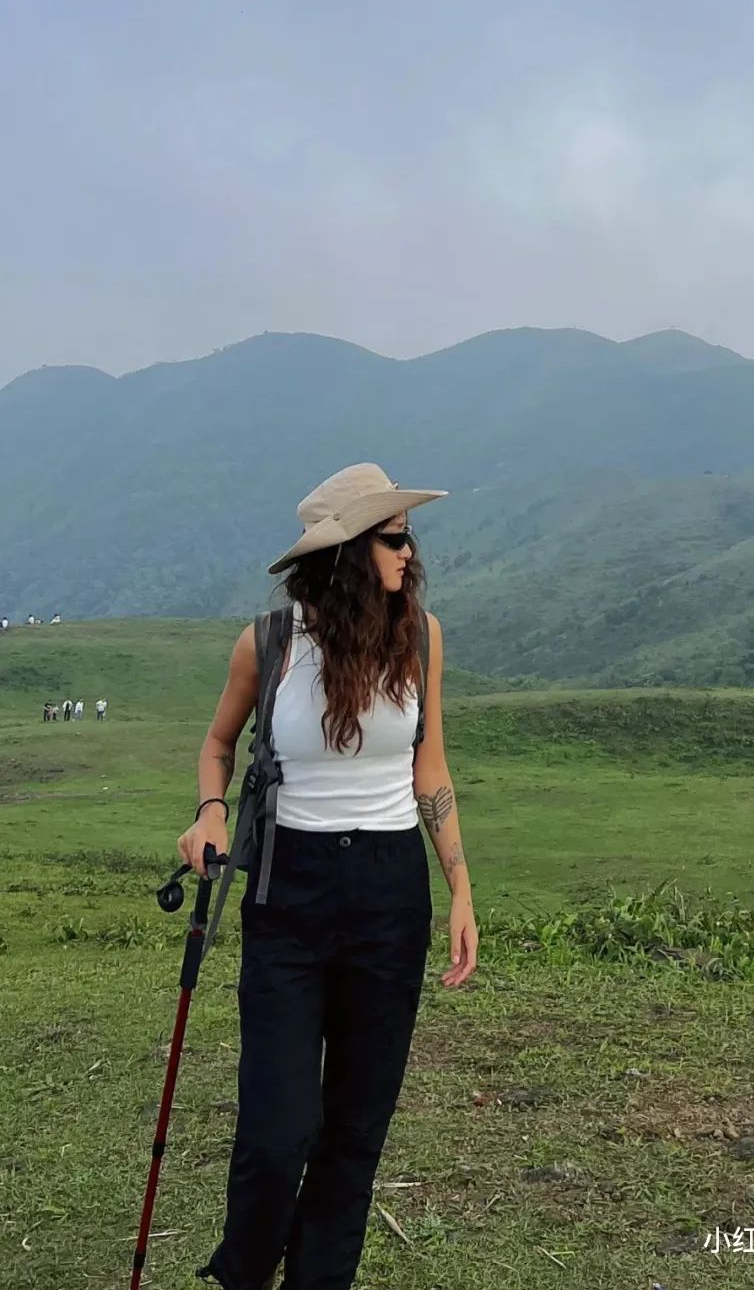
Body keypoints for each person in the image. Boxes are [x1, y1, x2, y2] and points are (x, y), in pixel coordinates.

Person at [179, 462, 479, 1290]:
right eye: (392, 538)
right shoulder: (270, 644)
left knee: (353, 1136)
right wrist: (209, 811)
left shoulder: (421, 638)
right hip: (289, 894)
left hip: (389, 893)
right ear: (347, 554)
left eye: (408, 536)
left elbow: (431, 766)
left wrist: (459, 887)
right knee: (278, 1137)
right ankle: (244, 1273)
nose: (409, 553)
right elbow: (217, 744)